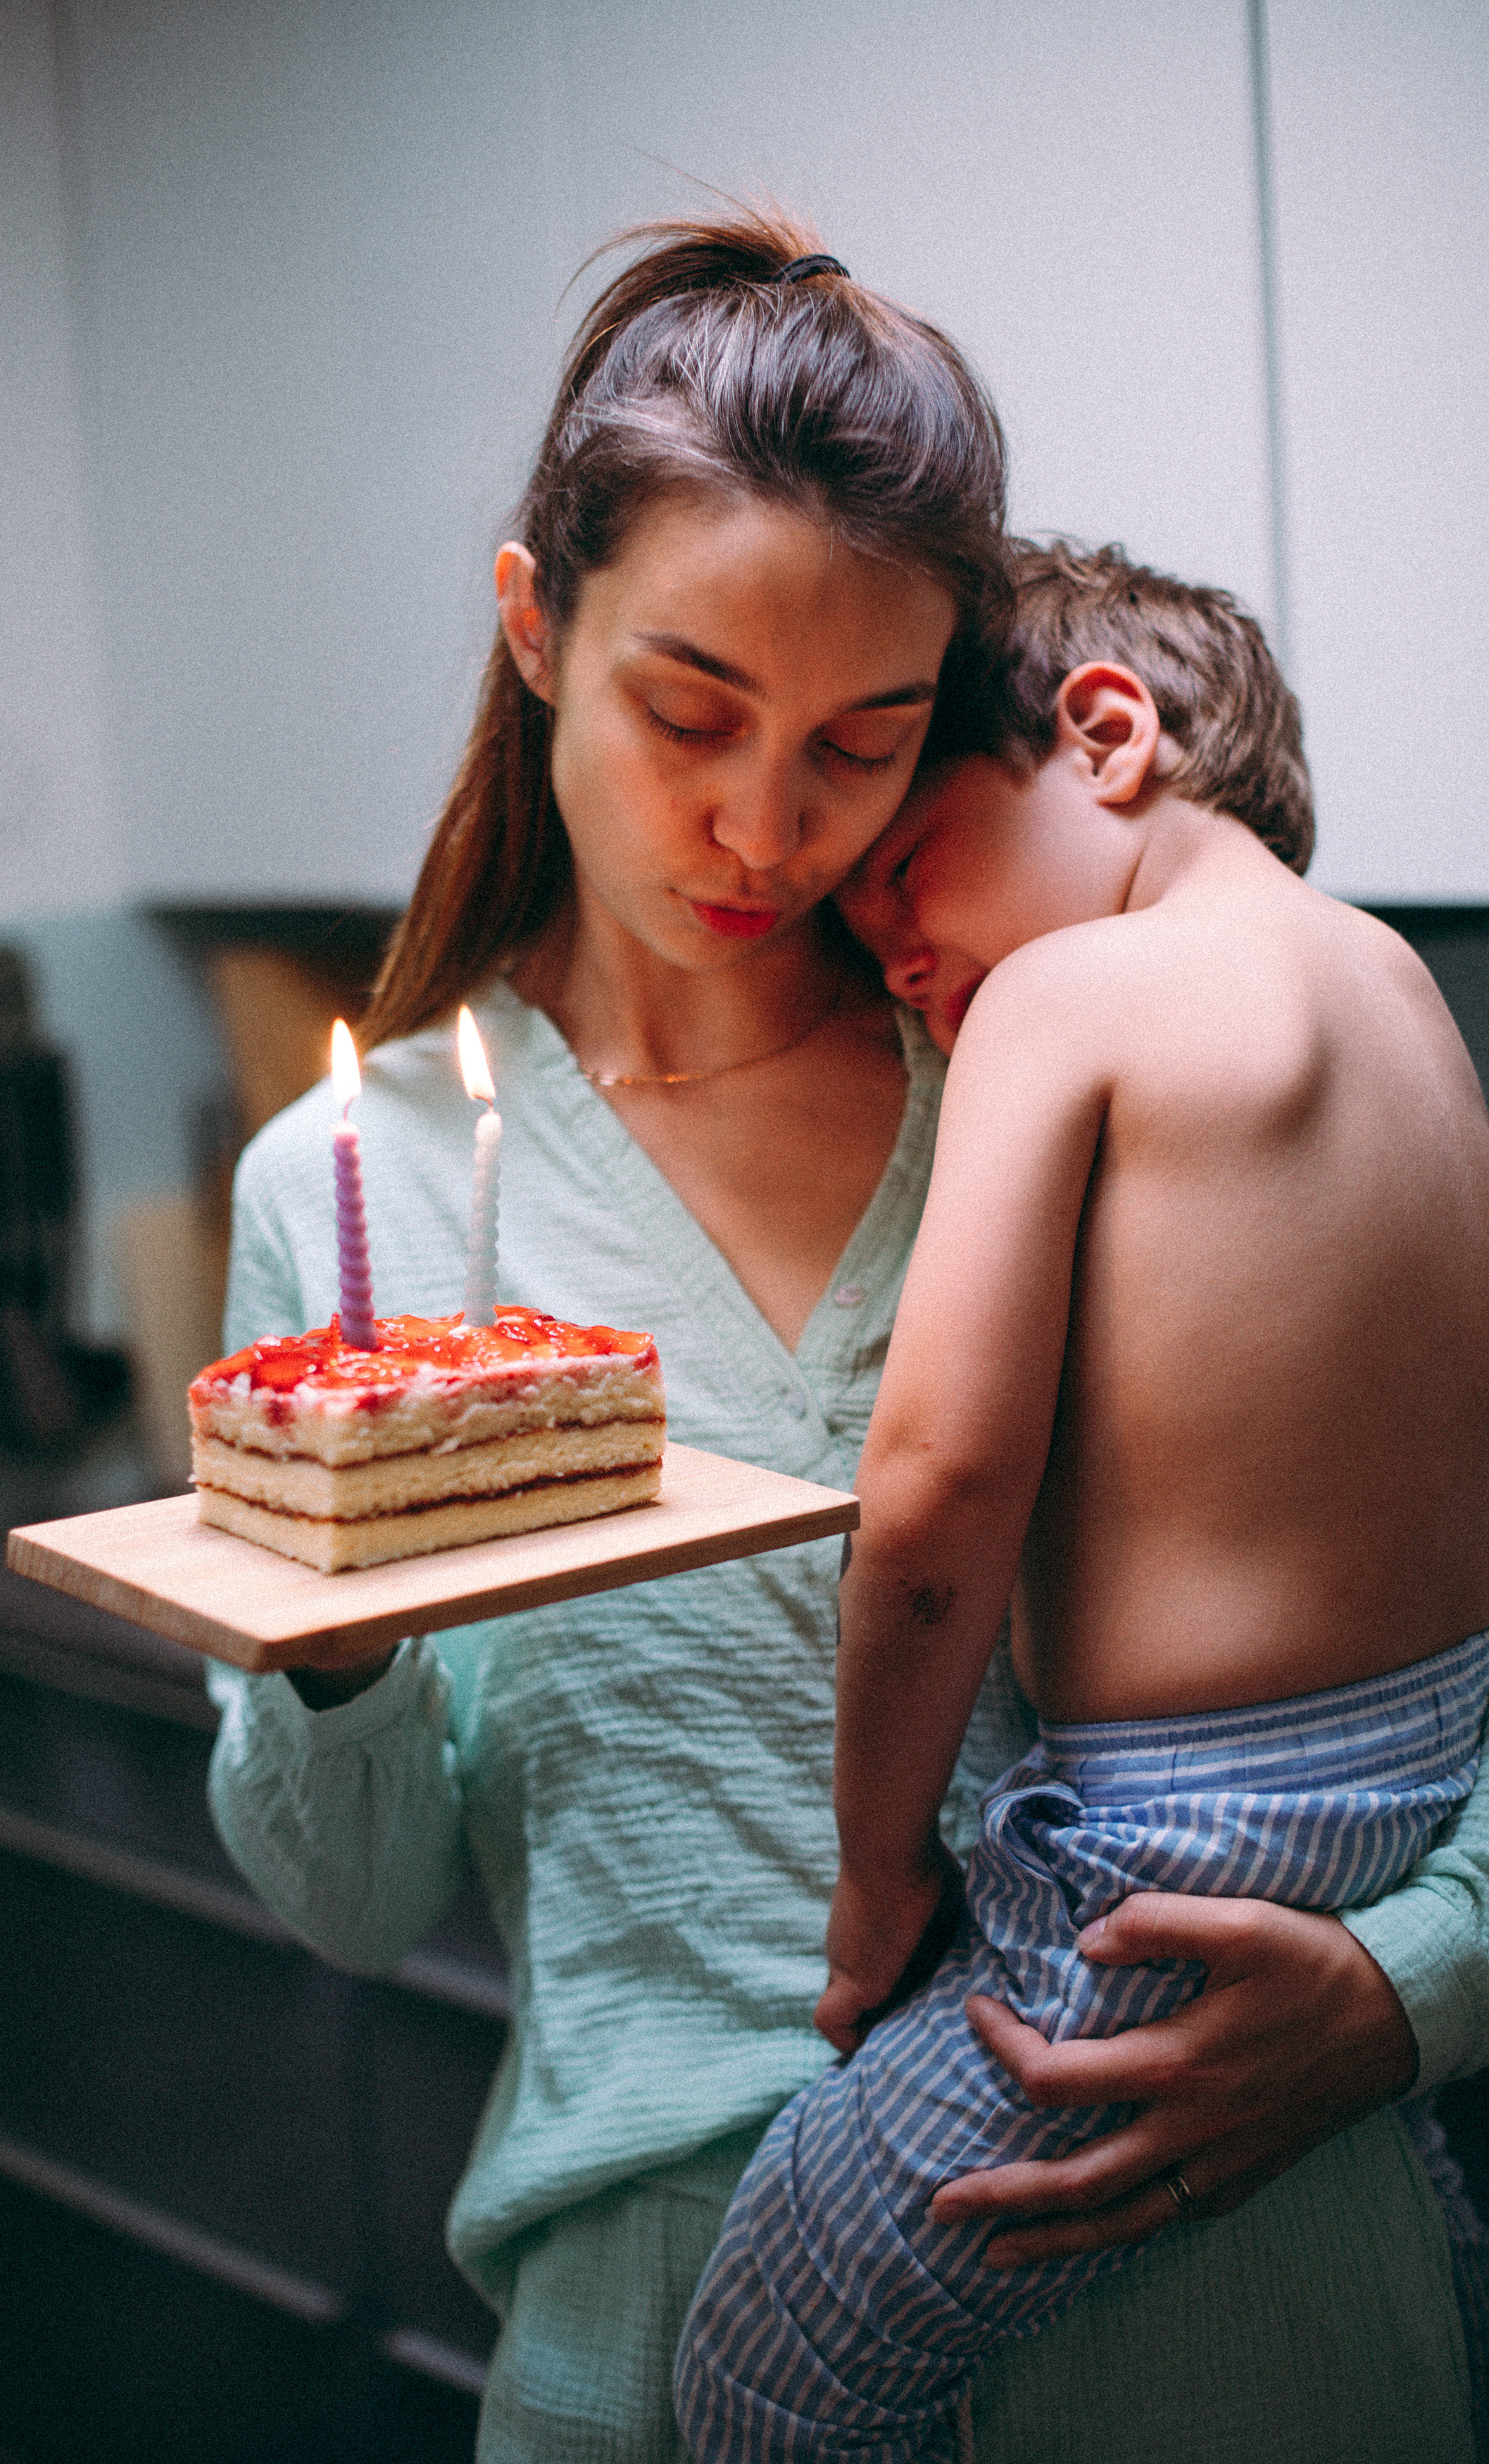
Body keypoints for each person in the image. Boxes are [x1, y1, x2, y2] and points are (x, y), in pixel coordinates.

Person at [204, 218, 1488, 2464]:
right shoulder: (360, 1192)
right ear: (536, 626)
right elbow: (351, 1897)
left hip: (1260, 2312)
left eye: (868, 744)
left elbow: (1421, 1616)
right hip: (664, 2343)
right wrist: (343, 1623)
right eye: (688, 712)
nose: (766, 826)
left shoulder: (1060, 1033)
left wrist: (1420, 1982)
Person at [674, 540, 1489, 2460]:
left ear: (1107, 736)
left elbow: (937, 1495)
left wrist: (879, 1878)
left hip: (1174, 1850)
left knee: (763, 2358)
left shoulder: (1069, 994)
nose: (894, 957)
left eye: (904, 867)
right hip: (1418, 1781)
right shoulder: (1408, 1001)